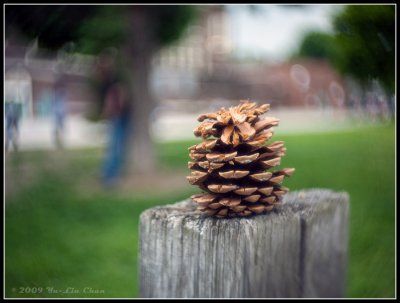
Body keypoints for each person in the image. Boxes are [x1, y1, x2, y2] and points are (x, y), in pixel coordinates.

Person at [95, 48, 132, 187]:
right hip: (118, 116)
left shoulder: (114, 78)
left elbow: (120, 94)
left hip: (119, 116)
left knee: (115, 145)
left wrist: (112, 110)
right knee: (114, 145)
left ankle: (111, 176)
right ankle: (109, 172)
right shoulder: (109, 79)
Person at [53, 78, 67, 149]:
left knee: (61, 127)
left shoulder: (62, 93)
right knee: (57, 127)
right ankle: (57, 140)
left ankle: (61, 140)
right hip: (58, 113)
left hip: (61, 113)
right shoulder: (57, 94)